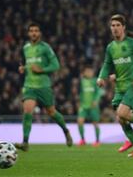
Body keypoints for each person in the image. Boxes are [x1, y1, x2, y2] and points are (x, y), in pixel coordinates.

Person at [97, 14, 133, 157]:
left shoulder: (132, 43)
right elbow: (107, 64)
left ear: (123, 27)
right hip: (119, 88)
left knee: (122, 113)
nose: (115, 28)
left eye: (118, 25)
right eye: (113, 26)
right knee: (121, 119)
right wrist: (101, 77)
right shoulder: (110, 47)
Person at [15, 23, 73, 151]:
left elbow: (56, 65)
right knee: (27, 110)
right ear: (28, 33)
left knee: (51, 112)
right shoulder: (25, 48)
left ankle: (65, 130)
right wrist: (22, 68)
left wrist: (42, 70)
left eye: (36, 31)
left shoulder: (46, 48)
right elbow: (26, 63)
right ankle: (25, 142)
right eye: (31, 31)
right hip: (29, 85)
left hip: (44, 86)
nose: (33, 33)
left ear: (39, 33)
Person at [77, 66, 103, 147]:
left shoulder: (95, 81)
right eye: (87, 72)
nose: (89, 73)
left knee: (95, 123)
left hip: (93, 106)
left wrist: (95, 100)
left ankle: (97, 140)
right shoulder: (81, 82)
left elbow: (99, 92)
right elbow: (80, 93)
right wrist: (79, 102)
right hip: (83, 106)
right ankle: (82, 139)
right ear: (84, 73)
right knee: (80, 121)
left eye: (91, 71)